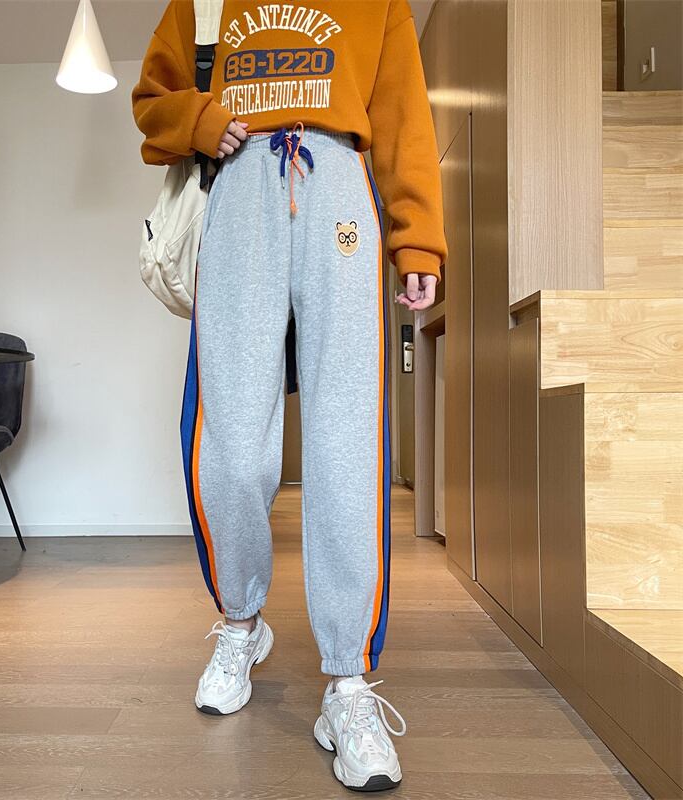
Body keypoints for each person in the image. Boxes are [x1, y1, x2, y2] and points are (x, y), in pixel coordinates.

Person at [131, 0, 447, 790]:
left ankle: (347, 684)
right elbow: (152, 98)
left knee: (346, 441)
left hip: (340, 184)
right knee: (233, 446)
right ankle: (240, 622)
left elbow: (403, 118)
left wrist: (416, 239)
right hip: (240, 188)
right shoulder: (203, 3)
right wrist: (202, 121)